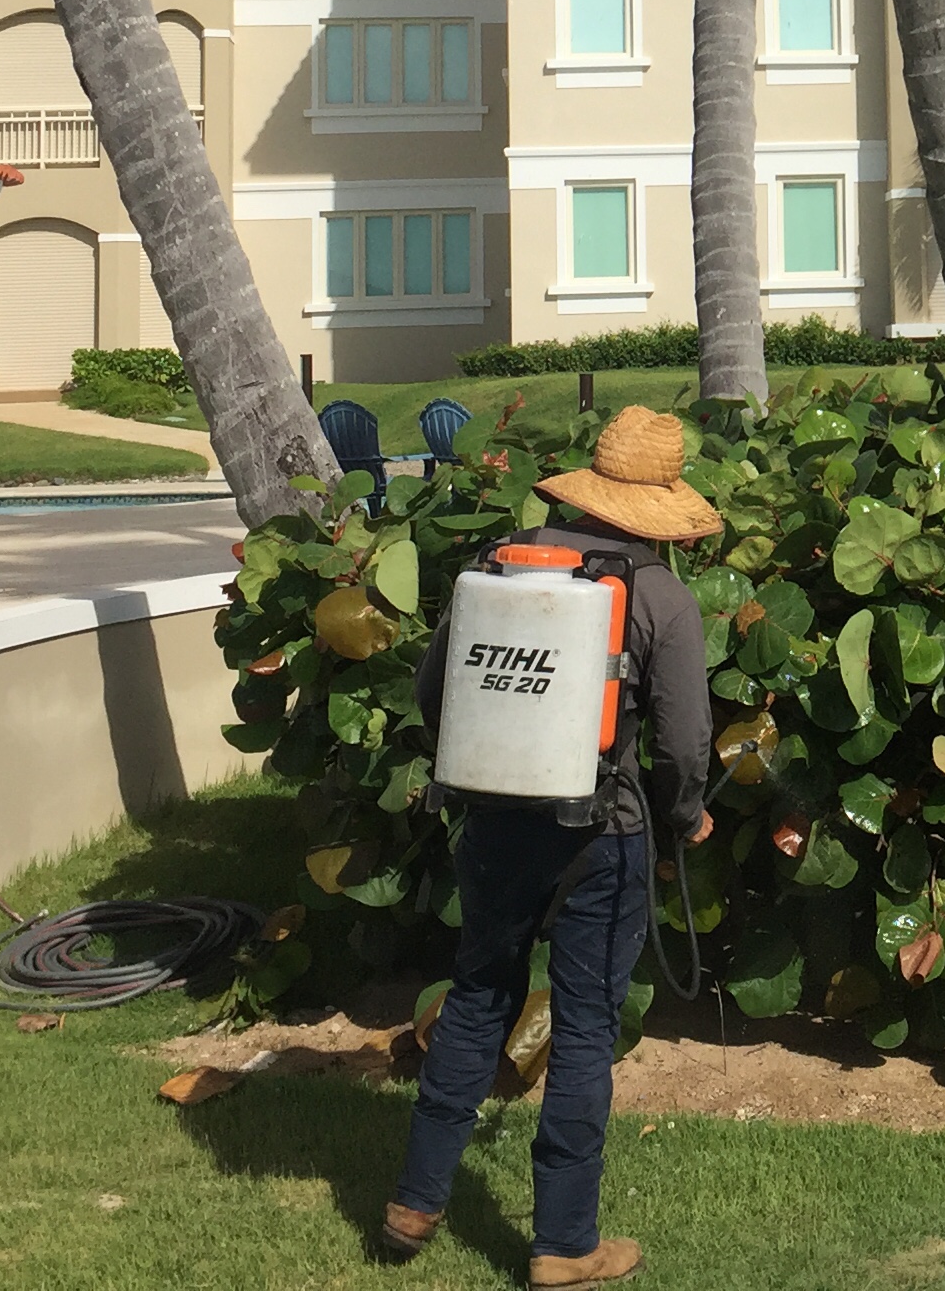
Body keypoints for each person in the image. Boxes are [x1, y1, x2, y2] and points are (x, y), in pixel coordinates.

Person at [381, 406, 720, 1283]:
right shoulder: (661, 596)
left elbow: (435, 693)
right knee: (584, 1030)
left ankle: (414, 1202)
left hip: (494, 826)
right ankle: (565, 1245)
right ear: (658, 507)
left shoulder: (498, 564)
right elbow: (685, 745)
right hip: (603, 837)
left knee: (477, 998)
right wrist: (686, 816)